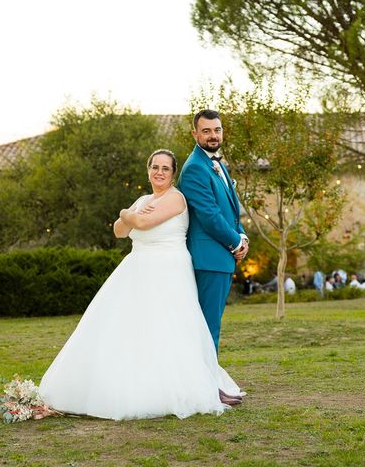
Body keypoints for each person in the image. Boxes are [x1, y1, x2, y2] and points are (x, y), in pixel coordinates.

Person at [39, 150, 244, 421]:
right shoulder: (144, 199)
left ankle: (179, 386)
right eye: (154, 167)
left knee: (166, 328)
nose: (159, 172)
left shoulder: (176, 198)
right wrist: (130, 215)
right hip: (137, 268)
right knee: (128, 328)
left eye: (165, 168)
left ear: (173, 174)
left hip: (167, 269)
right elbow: (118, 231)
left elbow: (143, 223)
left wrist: (126, 212)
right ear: (148, 170)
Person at [178, 109, 249, 355]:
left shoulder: (215, 163)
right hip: (208, 259)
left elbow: (230, 207)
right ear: (195, 133)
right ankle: (207, 386)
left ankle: (208, 382)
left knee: (211, 325)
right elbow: (209, 215)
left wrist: (242, 236)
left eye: (217, 130)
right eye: (206, 131)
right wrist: (235, 243)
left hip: (220, 258)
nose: (213, 135)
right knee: (208, 328)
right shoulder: (195, 168)